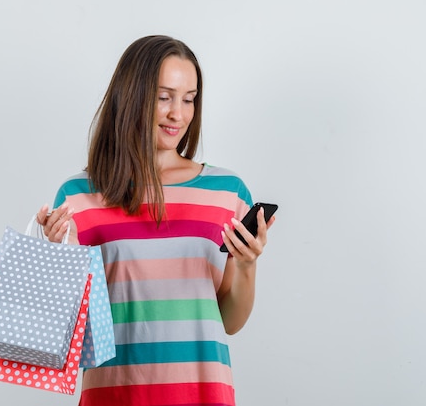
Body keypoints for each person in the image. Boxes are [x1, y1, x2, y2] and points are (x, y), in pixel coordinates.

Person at [37, 35, 275, 406]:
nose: (177, 114)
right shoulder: (78, 196)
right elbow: (64, 336)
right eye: (164, 97)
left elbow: (229, 321)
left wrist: (246, 265)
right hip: (112, 395)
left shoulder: (227, 192)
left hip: (203, 395)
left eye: (189, 99)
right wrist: (56, 259)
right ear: (132, 96)